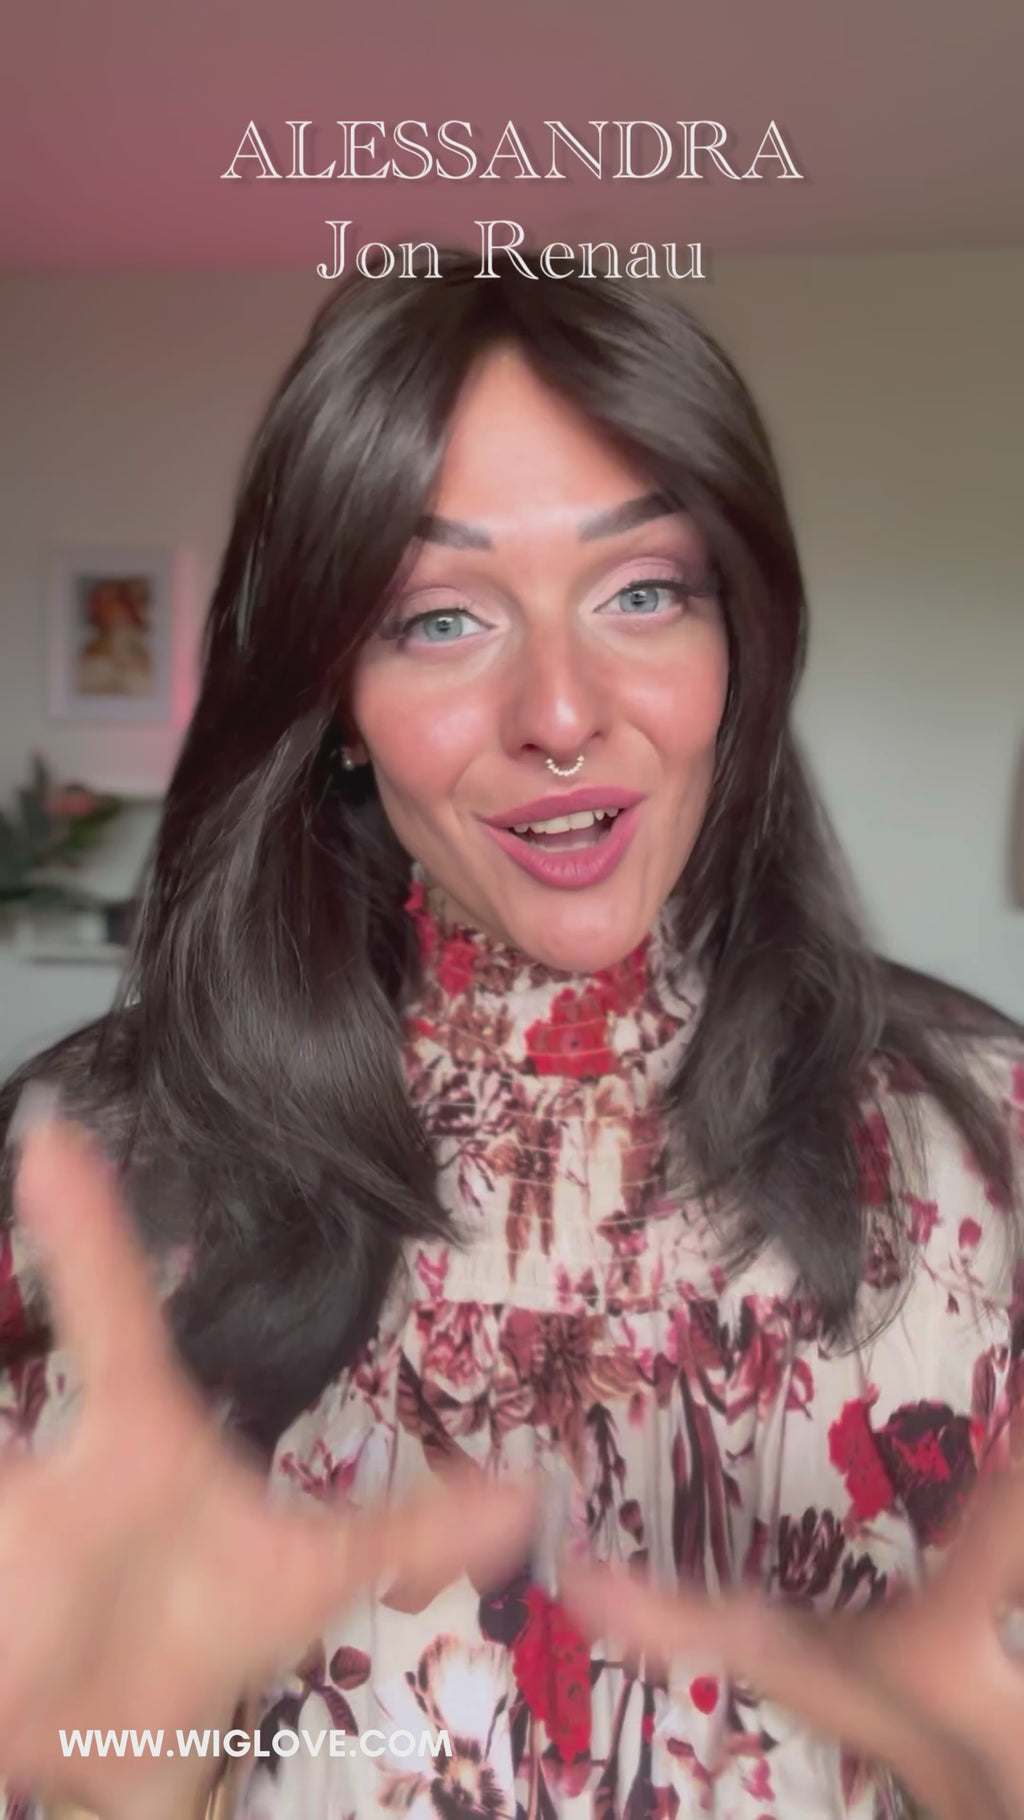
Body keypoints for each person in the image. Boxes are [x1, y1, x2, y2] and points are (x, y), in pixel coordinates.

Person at [0, 250, 1022, 1820]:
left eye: (642, 591)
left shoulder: (986, 1153)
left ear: (741, 639)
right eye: (438, 617)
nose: (559, 709)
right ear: (336, 697)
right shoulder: (74, 1188)